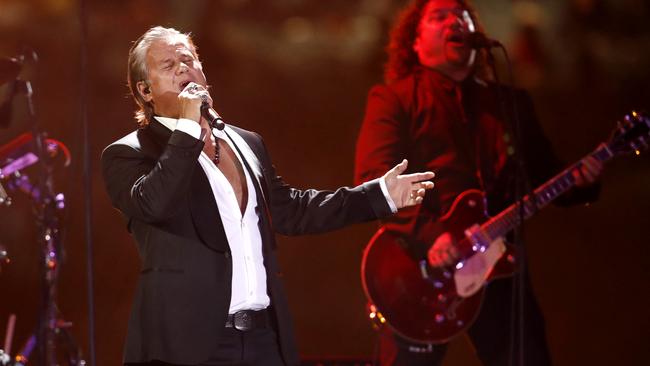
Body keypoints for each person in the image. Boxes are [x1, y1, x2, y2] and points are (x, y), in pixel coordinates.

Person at [101, 26, 435, 366]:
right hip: (187, 345)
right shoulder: (129, 153)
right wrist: (187, 128)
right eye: (169, 65)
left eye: (189, 59)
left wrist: (379, 195)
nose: (183, 68)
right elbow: (155, 203)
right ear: (145, 90)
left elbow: (292, 210)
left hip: (262, 340)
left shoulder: (246, 142)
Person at [354, 0, 602, 365]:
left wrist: (583, 179)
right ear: (416, 41)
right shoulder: (395, 98)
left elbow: (544, 174)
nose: (455, 20)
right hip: (419, 266)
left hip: (499, 265)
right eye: (439, 16)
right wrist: (429, 234)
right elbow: (375, 177)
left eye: (463, 16)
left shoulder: (510, 103)